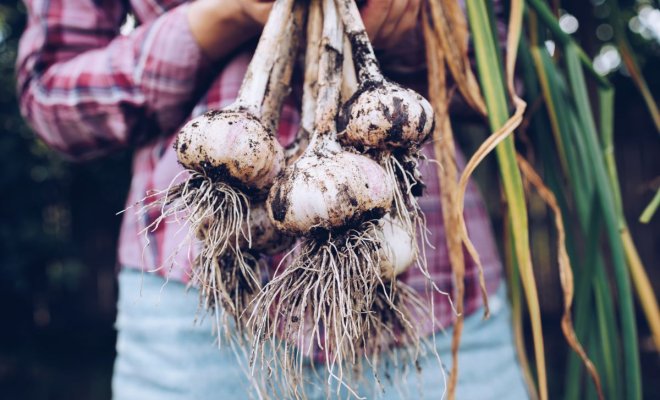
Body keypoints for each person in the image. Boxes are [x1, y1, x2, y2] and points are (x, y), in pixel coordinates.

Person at [17, 0, 528, 398]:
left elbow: (512, 81)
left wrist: (413, 23)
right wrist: (224, 14)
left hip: (434, 302)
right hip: (195, 303)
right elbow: (52, 99)